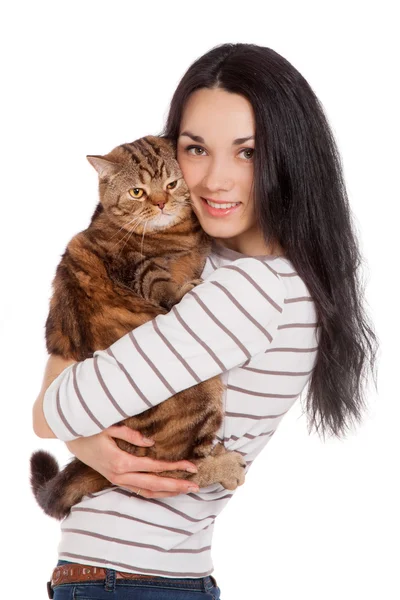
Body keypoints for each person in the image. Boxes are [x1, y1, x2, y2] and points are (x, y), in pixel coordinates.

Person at [32, 42, 378, 600]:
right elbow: (52, 409)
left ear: (290, 159)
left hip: (134, 583)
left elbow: (54, 408)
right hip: (136, 579)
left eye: (247, 152)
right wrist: (89, 443)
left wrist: (84, 436)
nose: (215, 180)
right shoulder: (214, 262)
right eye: (196, 149)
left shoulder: (252, 290)